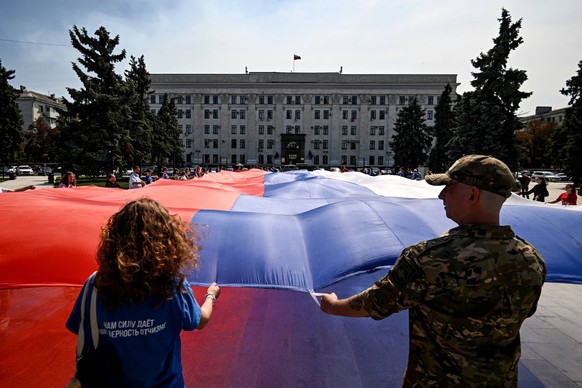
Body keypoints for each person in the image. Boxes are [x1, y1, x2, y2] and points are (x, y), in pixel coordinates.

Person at [319, 155, 546, 387]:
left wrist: (332, 306)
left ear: (472, 195)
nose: (441, 195)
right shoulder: (530, 258)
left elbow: (376, 303)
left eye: (448, 187)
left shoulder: (431, 258)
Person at [66, 198, 221, 386]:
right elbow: (200, 320)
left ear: (114, 239)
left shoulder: (95, 285)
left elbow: (82, 331)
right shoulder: (172, 286)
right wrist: (211, 295)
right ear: (167, 239)